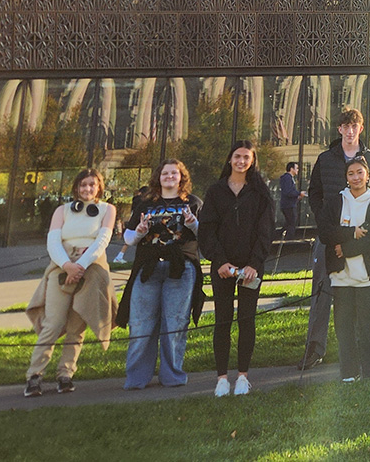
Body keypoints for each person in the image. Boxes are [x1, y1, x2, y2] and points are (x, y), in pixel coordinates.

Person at [299, 107, 370, 370]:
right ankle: (315, 348)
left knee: (362, 296)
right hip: (330, 239)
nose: (350, 131)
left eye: (354, 126)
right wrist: (326, 221)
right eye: (345, 127)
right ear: (339, 130)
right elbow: (314, 193)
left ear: (360, 129)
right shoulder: (326, 159)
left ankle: (363, 354)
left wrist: (366, 229)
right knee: (321, 293)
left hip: (362, 241)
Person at [23, 168, 116, 397]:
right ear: (76, 188)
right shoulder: (62, 211)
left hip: (91, 271)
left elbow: (102, 241)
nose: (87, 189)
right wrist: (67, 266)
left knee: (77, 327)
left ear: (99, 188)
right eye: (83, 185)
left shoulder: (108, 210)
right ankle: (34, 376)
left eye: (92, 185)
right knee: (52, 324)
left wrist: (80, 266)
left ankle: (65, 374)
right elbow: (53, 241)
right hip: (62, 269)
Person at [199, 141, 274, 395]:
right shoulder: (215, 191)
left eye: (246, 157)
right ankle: (222, 378)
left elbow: (265, 232)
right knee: (222, 321)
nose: (241, 161)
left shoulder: (260, 193)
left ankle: (243, 376)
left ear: (252, 161)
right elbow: (207, 231)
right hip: (223, 268)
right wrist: (219, 261)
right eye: (237, 156)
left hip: (250, 269)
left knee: (246, 320)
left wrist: (254, 264)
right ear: (230, 159)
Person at [120, 159, 202, 389]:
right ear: (158, 177)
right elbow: (128, 239)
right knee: (141, 324)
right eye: (165, 173)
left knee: (175, 324)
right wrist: (139, 231)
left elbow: (205, 235)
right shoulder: (145, 204)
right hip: (148, 269)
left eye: (174, 173)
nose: (169, 177)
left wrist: (193, 223)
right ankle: (136, 378)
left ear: (181, 177)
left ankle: (172, 376)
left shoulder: (192, 203)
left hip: (181, 269)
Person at [321, 156, 370, 382]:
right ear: (346, 177)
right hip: (341, 276)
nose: (355, 178)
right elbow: (325, 232)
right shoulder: (335, 202)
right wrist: (351, 232)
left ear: (368, 176)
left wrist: (347, 249)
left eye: (360, 173)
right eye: (351, 173)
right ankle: (350, 373)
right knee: (344, 327)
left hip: (367, 275)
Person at [279, 162, 302, 241]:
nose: (298, 170)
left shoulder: (288, 178)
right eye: (297, 168)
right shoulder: (287, 178)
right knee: (291, 223)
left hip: (289, 204)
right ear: (291, 169)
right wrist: (299, 193)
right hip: (288, 205)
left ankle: (278, 236)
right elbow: (288, 192)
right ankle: (289, 240)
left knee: (288, 223)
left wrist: (297, 197)